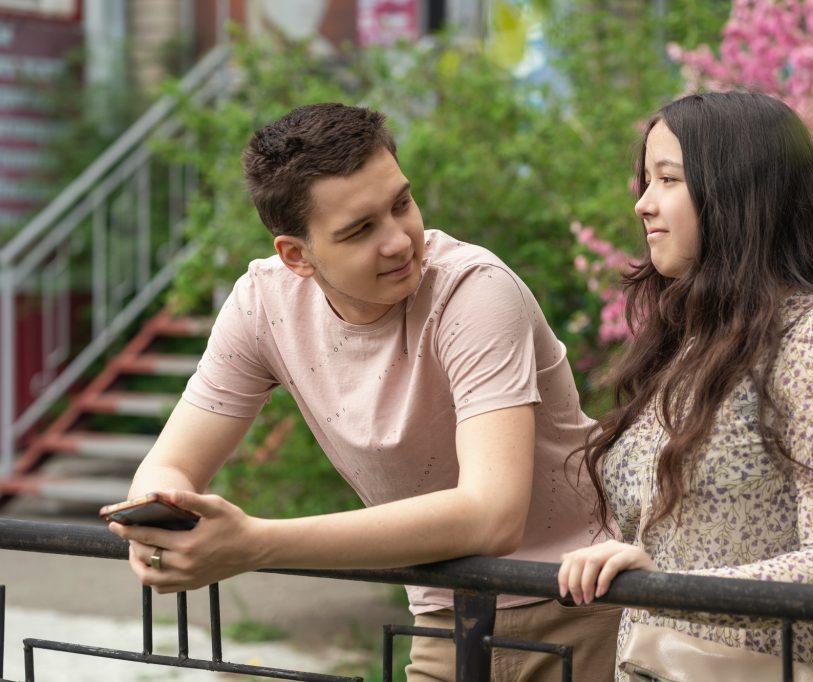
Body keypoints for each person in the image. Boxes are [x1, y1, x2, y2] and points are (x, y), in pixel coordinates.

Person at [108, 102, 622, 681]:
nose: (400, 241)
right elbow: (170, 464)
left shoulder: (473, 292)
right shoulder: (262, 305)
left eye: (401, 204)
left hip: (583, 606)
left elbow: (492, 516)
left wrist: (255, 544)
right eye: (359, 229)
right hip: (444, 613)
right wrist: (162, 520)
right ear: (296, 255)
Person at [557, 92, 813, 681]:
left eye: (668, 180)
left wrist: (667, 587)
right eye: (645, 181)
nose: (643, 205)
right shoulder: (689, 340)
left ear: (736, 194)